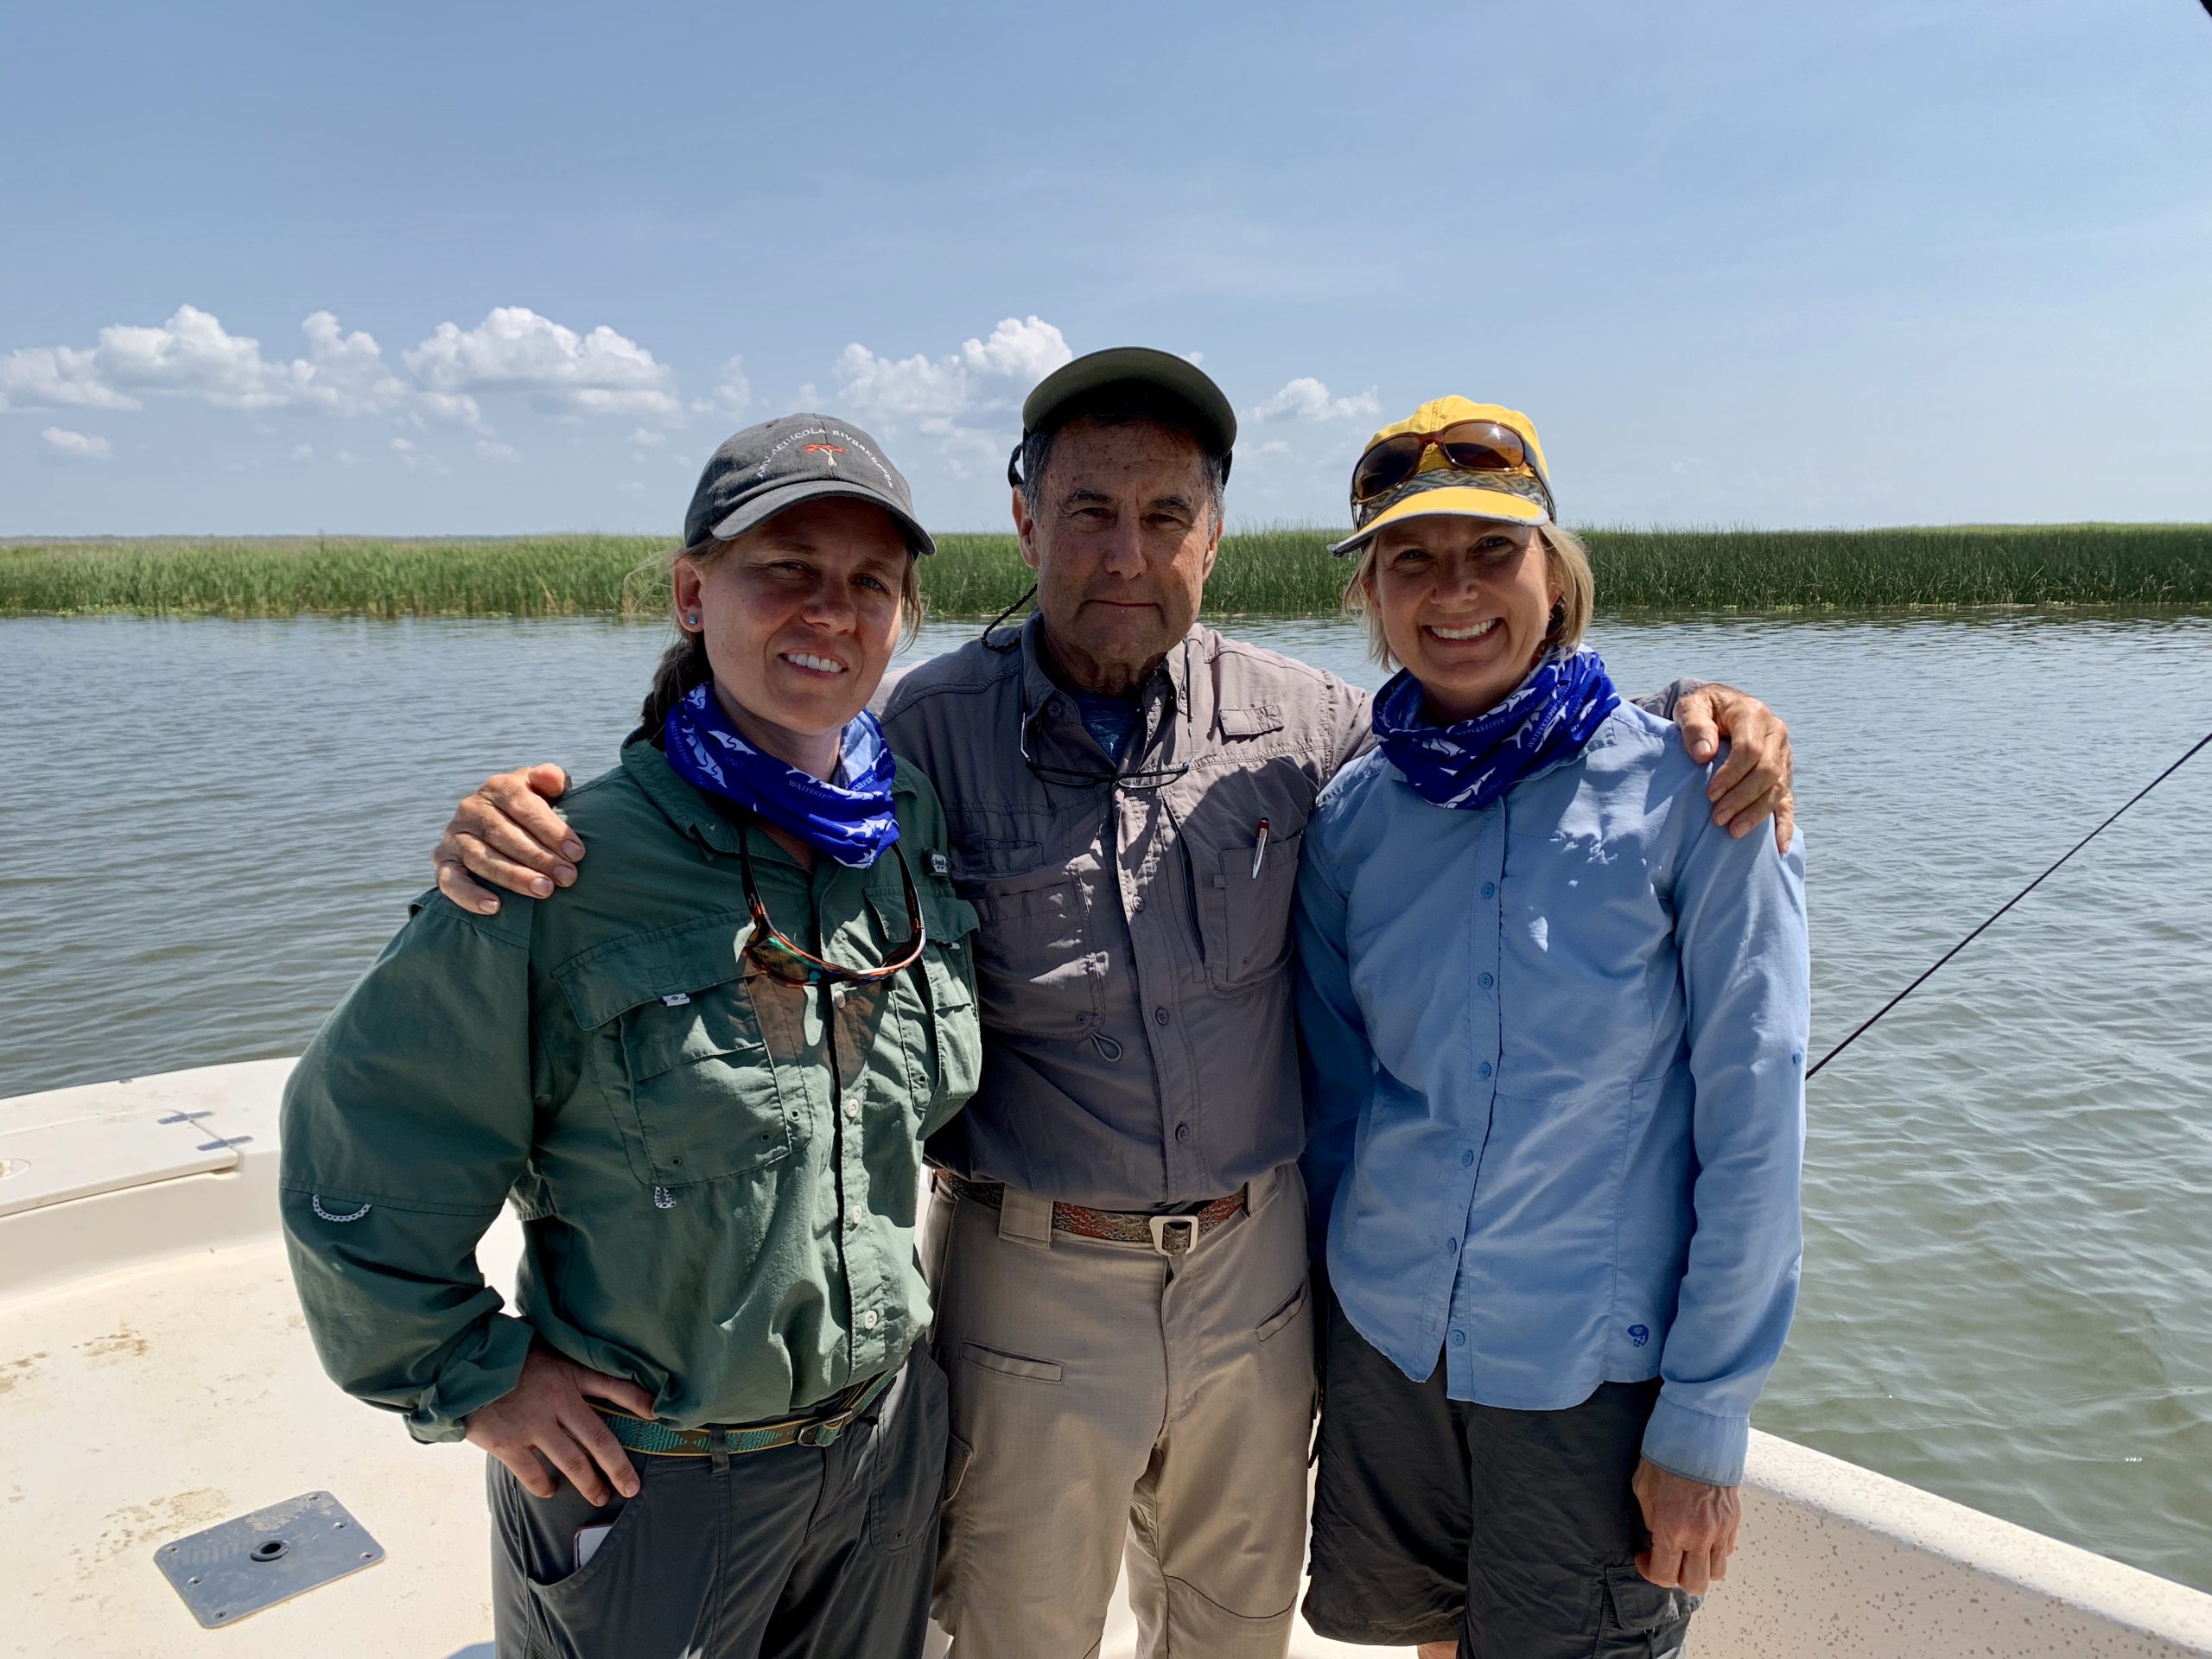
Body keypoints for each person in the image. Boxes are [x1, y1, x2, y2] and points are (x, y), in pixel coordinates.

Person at [428, 352, 1798, 1659]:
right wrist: (529, 826)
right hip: (1030, 1275)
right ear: (1025, 523)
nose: (1127, 556)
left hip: (1258, 1285)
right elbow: (738, 772)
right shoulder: (914, 734)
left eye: (1166, 516)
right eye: (1089, 512)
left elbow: (1505, 732)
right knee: (1020, 1628)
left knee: (1231, 1628)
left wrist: (1700, 711)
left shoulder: (1319, 729)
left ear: (1215, 537)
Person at [280, 416, 983, 1659]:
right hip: (654, 1479)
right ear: (688, 591)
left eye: (869, 582)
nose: (829, 610)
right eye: (785, 568)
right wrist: (470, 1373)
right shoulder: (558, 861)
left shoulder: (908, 826)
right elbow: (362, 1152)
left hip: (884, 1446)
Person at [1294, 398, 1809, 1659]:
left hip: (1590, 1376)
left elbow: (1757, 1118)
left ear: (1555, 571)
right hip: (1387, 1345)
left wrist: (1705, 1420)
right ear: (1371, 592)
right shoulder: (1353, 815)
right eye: (1411, 558)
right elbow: (1336, 1110)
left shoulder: (1703, 790)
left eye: (1492, 552)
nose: (1453, 591)